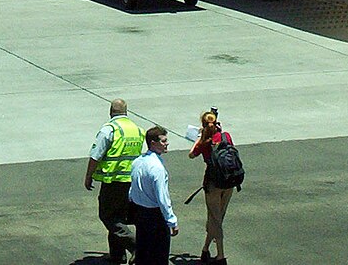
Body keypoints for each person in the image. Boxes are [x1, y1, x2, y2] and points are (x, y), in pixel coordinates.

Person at [85, 99, 145, 264]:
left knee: (108, 215)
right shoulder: (138, 130)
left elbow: (95, 155)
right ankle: (117, 255)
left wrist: (88, 175)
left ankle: (136, 246)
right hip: (131, 180)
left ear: (111, 112)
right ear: (127, 112)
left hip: (114, 180)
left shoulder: (109, 129)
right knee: (119, 216)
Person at [189, 110, 235, 264]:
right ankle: (205, 249)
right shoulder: (225, 136)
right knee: (217, 217)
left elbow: (191, 154)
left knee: (215, 219)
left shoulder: (203, 142)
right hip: (229, 181)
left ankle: (220, 255)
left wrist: (199, 137)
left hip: (213, 182)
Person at [129, 126, 178, 265]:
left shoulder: (138, 161)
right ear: (153, 143)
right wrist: (172, 221)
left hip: (140, 213)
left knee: (143, 252)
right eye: (163, 141)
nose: (166, 143)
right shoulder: (157, 168)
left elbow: (132, 189)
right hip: (155, 217)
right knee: (159, 255)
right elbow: (163, 198)